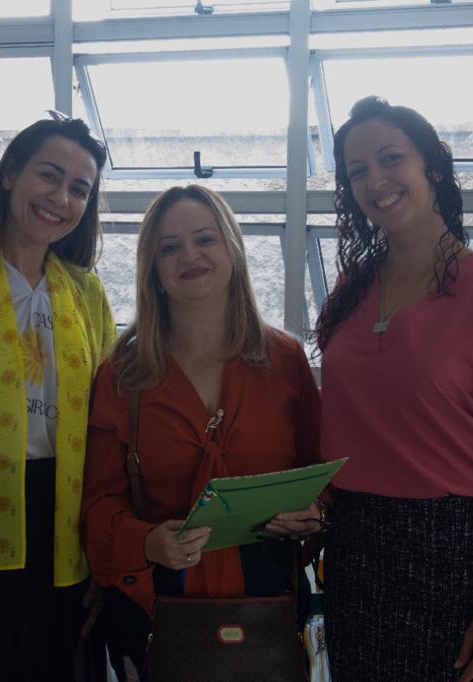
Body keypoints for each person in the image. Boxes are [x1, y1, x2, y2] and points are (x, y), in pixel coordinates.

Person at [315, 96, 473, 682]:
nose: (376, 180)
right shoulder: (349, 291)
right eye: (357, 171)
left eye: (391, 158)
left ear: (434, 168)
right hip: (356, 548)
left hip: (460, 554)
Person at [81, 185, 325, 680]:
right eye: (169, 246)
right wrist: (148, 542)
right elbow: (96, 506)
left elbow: (321, 476)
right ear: (152, 267)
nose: (189, 255)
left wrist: (315, 512)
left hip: (271, 608)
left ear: (232, 249)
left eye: (205, 239)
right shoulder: (121, 375)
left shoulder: (286, 361)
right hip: (157, 613)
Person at [0, 114, 116, 682]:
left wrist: (105, 556)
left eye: (79, 189)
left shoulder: (85, 292)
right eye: (49, 176)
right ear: (9, 175)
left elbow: (111, 426)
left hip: (66, 529)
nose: (61, 198)